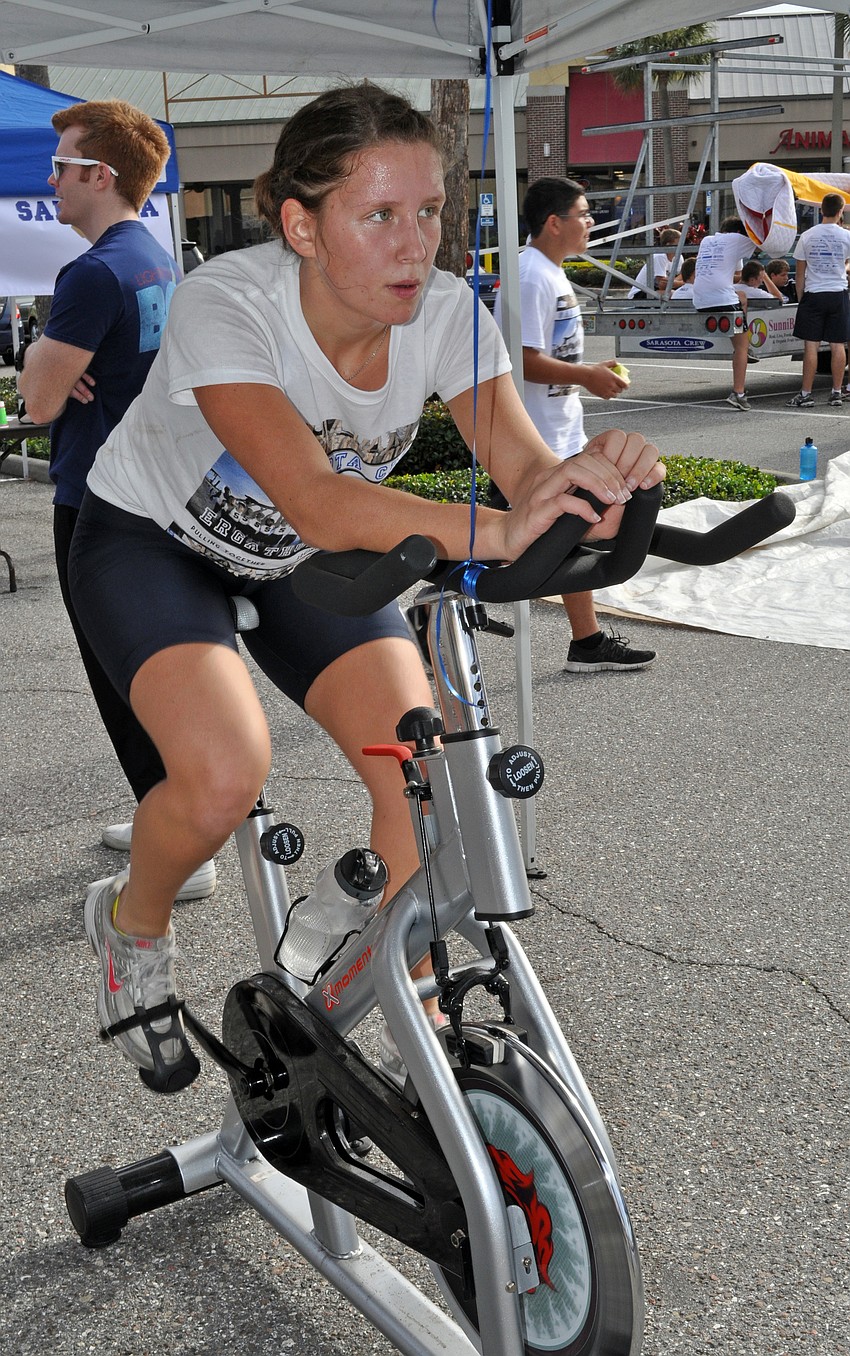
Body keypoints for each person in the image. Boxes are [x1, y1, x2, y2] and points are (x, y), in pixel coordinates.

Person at [65, 84, 665, 1093]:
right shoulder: (229, 303)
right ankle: (131, 925)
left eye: (427, 212)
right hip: (152, 541)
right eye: (378, 215)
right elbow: (312, 499)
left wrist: (585, 486)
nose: (412, 244)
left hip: (302, 559)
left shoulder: (444, 312)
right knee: (222, 774)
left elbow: (521, 472)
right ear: (301, 224)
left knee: (425, 785)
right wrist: (497, 527)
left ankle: (389, 981)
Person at [18, 100, 216, 903]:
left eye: (62, 167)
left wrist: (42, 351)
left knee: (121, 674)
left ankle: (183, 836)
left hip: (98, 498)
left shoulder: (93, 271)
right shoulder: (152, 256)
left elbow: (35, 402)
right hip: (154, 493)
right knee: (153, 667)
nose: (52, 181)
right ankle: (169, 805)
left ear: (101, 175)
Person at [493, 176, 656, 676]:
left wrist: (588, 372)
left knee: (570, 538)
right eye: (583, 214)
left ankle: (586, 642)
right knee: (531, 546)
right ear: (553, 222)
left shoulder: (548, 272)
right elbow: (519, 361)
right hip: (530, 442)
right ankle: (436, 603)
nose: (589, 223)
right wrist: (586, 376)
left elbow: (550, 355)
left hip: (559, 433)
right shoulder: (530, 275)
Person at [787, 192, 850, 409]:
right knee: (838, 344)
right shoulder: (846, 236)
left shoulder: (807, 236)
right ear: (841, 211)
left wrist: (802, 297)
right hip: (838, 293)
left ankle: (806, 394)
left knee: (811, 347)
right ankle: (835, 392)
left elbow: (800, 274)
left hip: (814, 293)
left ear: (821, 210)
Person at [692, 216, 758, 411]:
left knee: (742, 298)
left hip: (700, 299)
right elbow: (763, 243)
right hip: (722, 299)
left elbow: (734, 270)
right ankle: (738, 393)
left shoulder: (707, 240)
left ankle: (744, 349)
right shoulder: (737, 240)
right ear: (739, 233)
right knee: (741, 347)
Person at [627, 228, 682, 300]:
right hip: (640, 293)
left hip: (655, 291)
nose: (682, 246)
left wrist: (672, 282)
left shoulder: (679, 257)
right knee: (673, 294)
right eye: (678, 244)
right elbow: (662, 285)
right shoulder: (660, 256)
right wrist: (681, 283)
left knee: (682, 293)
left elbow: (684, 276)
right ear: (668, 245)